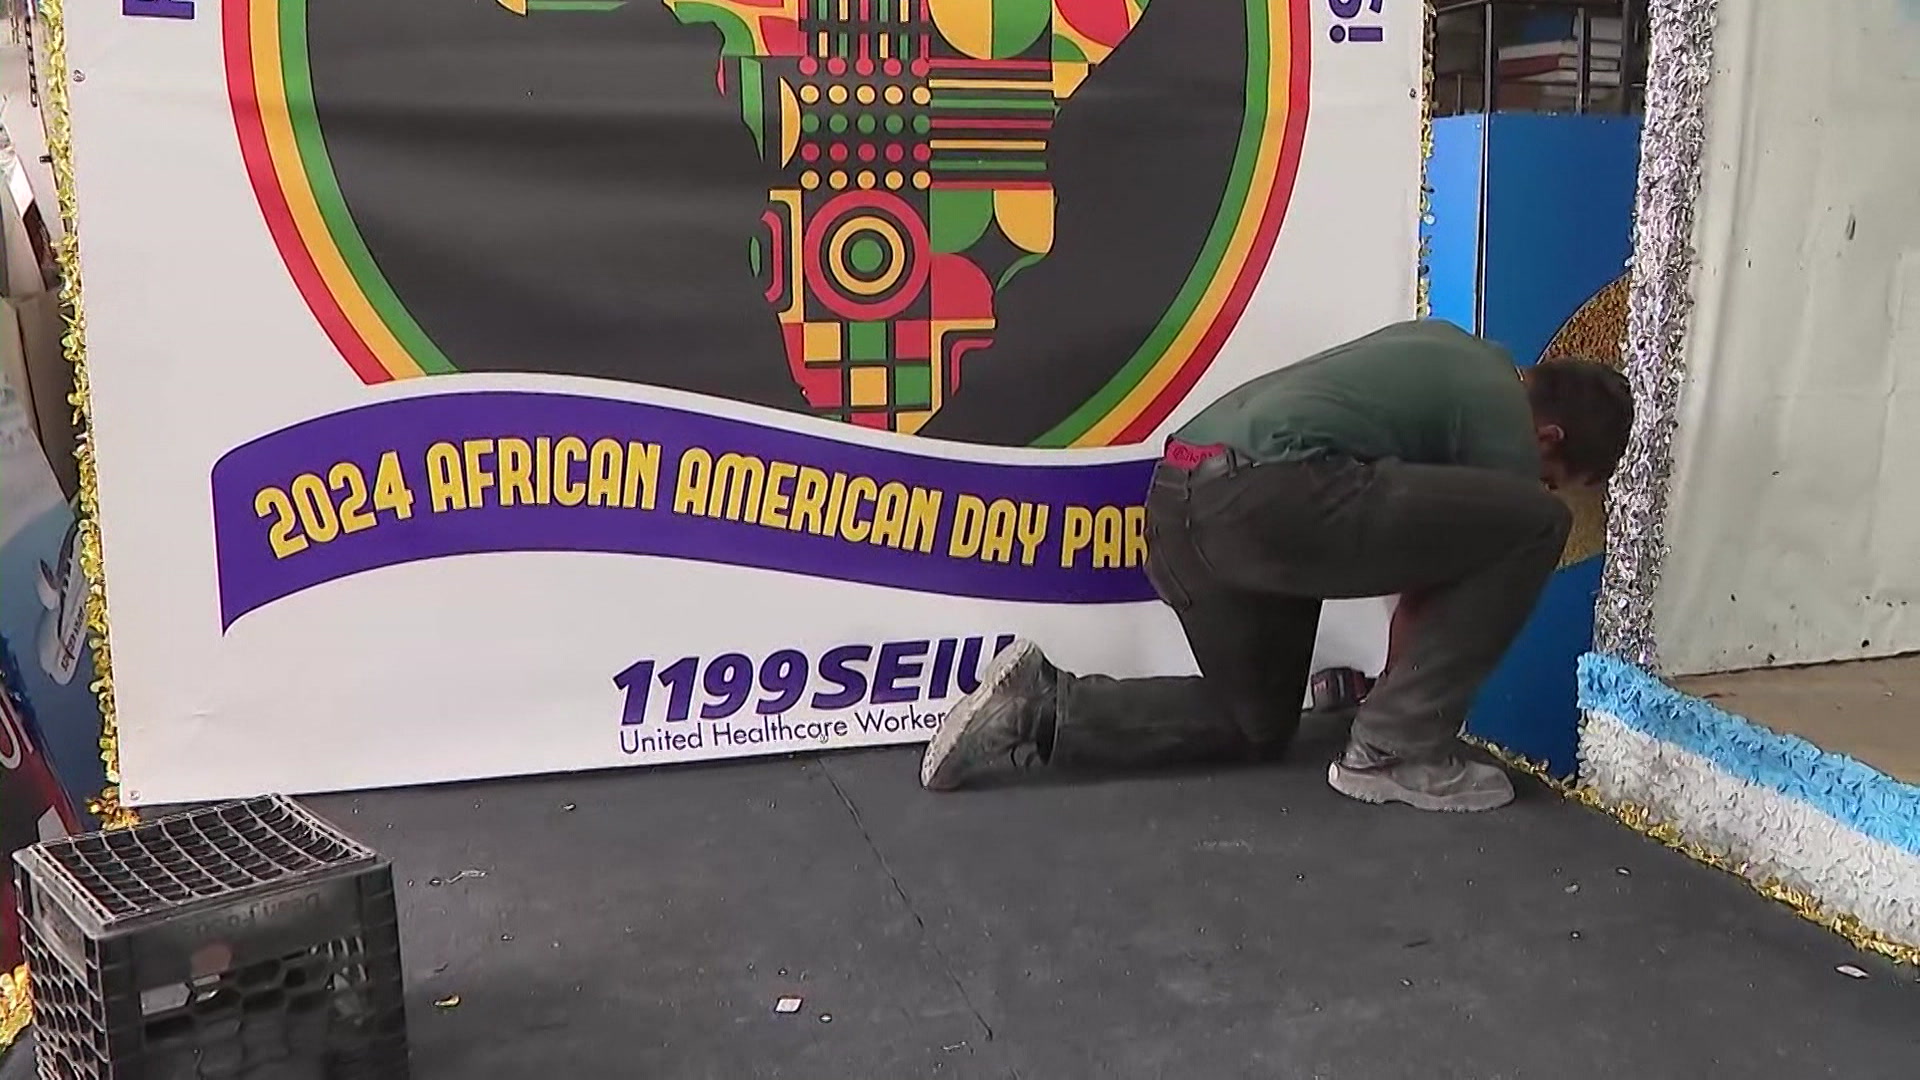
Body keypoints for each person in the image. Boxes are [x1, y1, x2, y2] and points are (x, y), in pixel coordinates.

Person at [918, 319, 1633, 812]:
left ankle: (1040, 706)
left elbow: (1414, 544)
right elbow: (1431, 585)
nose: (1538, 484)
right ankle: (1396, 751)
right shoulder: (1502, 423)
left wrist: (1392, 684)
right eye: (1550, 475)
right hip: (1264, 499)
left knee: (1253, 722)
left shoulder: (1449, 349)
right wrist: (1398, 714)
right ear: (1548, 436)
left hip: (1180, 502)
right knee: (1535, 526)